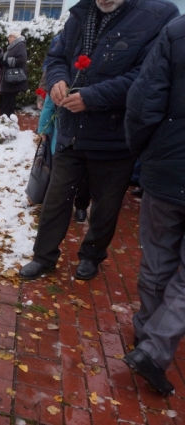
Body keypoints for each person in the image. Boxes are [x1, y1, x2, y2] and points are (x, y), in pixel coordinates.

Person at [19, 0, 179, 281]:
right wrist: (57, 79)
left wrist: (92, 98)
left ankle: (91, 256)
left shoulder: (157, 16)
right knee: (56, 199)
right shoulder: (80, 13)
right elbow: (57, 56)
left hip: (113, 136)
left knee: (105, 205)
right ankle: (43, 257)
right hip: (72, 131)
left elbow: (145, 76)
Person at [123, 14, 185, 396]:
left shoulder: (176, 33)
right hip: (165, 166)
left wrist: (145, 154)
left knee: (157, 257)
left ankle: (146, 334)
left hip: (166, 168)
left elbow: (143, 101)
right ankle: (154, 347)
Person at [37, 91, 90, 222]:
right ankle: (60, 208)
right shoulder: (63, 76)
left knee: (85, 176)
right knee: (60, 177)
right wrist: (44, 130)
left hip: (90, 139)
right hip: (63, 139)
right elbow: (49, 105)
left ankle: (81, 206)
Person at [0, 30, 27, 118]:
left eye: (10, 36)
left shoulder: (20, 45)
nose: (8, 38)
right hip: (10, 78)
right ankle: (6, 117)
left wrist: (7, 61)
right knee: (8, 99)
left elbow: (22, 59)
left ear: (15, 38)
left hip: (13, 78)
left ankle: (6, 118)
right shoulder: (12, 47)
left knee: (9, 99)